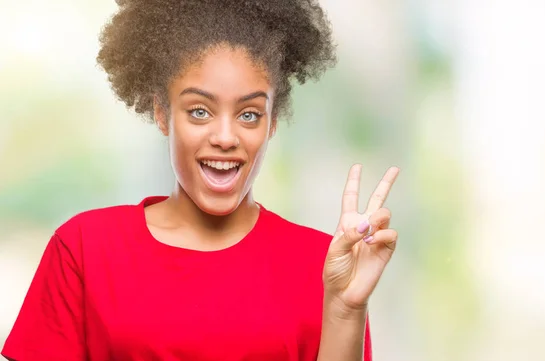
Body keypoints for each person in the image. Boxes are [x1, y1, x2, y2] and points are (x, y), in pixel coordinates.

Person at [2, 0, 399, 360]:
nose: (225, 138)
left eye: (249, 114)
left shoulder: (324, 264)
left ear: (272, 122)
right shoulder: (86, 249)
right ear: (161, 113)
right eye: (198, 111)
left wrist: (346, 310)